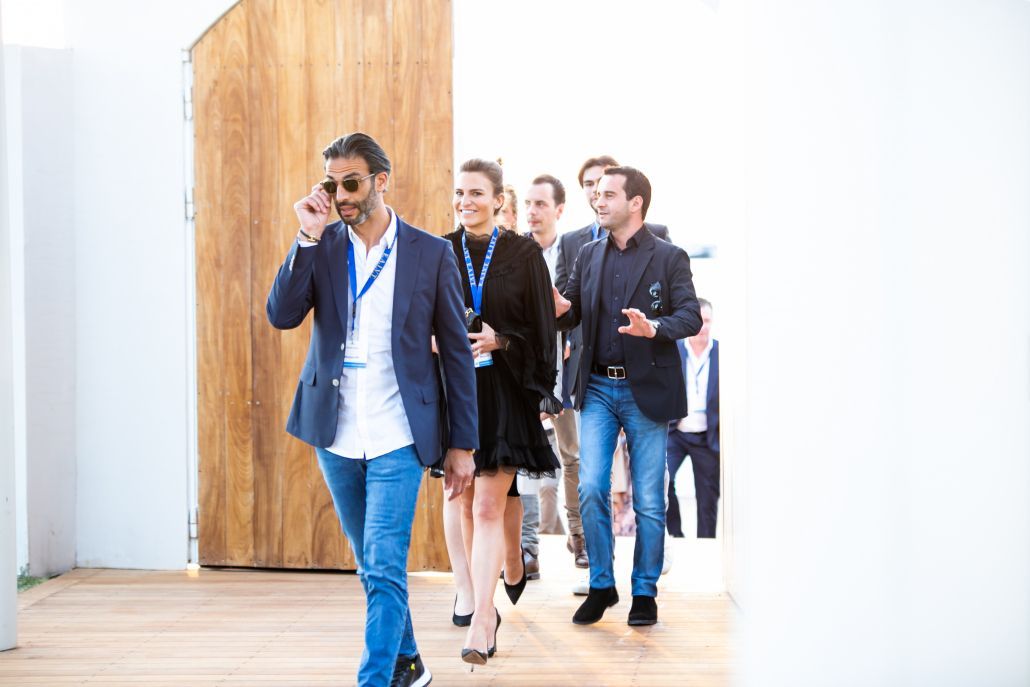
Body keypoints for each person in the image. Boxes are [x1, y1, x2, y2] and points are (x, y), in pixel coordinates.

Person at [266, 132, 477, 687]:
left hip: (398, 431)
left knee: (384, 565)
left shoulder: (430, 253)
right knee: (372, 567)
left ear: (381, 181)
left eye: (352, 183)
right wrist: (306, 236)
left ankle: (375, 679)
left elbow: (457, 354)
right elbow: (282, 315)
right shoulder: (323, 245)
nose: (341, 196)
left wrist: (462, 444)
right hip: (335, 432)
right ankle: (411, 663)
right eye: (332, 184)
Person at [554, 165, 702, 627]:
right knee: (591, 488)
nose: (598, 201)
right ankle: (602, 584)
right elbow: (571, 312)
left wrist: (653, 328)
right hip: (598, 386)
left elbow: (690, 316)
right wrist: (556, 307)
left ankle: (644, 591)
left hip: (648, 390)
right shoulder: (587, 254)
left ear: (635, 203)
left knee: (650, 500)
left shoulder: (669, 256)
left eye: (608, 195)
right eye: (596, 194)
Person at [443, 158, 561, 668]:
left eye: (476, 193)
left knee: (490, 506)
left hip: (506, 391)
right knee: (466, 504)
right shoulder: (441, 250)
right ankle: (478, 597)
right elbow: (420, 317)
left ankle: (482, 620)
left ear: (497, 200)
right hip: (456, 392)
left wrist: (501, 340)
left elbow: (543, 330)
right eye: (459, 193)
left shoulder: (524, 253)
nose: (465, 201)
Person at [517, 174, 573, 578]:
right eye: (528, 204)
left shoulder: (577, 252)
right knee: (521, 460)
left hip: (567, 371)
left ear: (559, 209)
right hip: (524, 370)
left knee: (573, 457)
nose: (532, 211)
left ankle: (581, 542)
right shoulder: (513, 251)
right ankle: (527, 550)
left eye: (540, 204)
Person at [667, 298, 720, 538]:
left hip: (707, 437)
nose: (703, 326)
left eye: (707, 321)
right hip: (676, 432)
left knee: (708, 498)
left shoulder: (721, 353)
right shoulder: (675, 350)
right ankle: (676, 535)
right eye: (699, 320)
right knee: (662, 480)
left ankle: (706, 544)